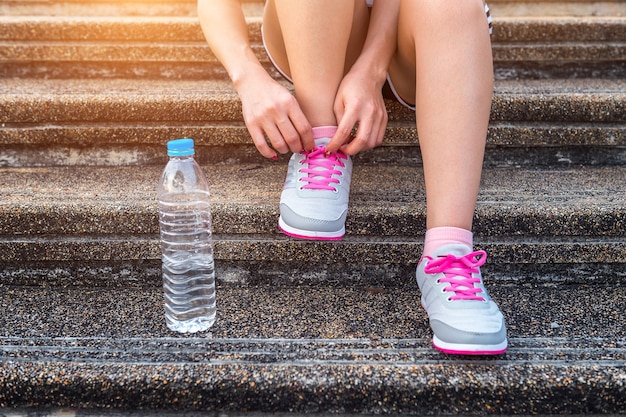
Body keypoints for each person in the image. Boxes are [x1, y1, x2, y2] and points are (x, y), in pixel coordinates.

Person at [198, 0, 507, 355]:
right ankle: (322, 140)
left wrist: (372, 69)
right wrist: (249, 79)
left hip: (422, 35)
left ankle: (449, 253)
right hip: (314, 28)